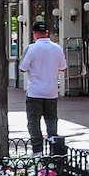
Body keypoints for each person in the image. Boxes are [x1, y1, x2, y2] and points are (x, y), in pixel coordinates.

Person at [19, 20, 67, 155]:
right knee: (51, 121)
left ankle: (37, 151)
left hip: (35, 92)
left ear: (34, 34)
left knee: (33, 122)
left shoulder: (31, 49)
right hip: (51, 92)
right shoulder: (57, 49)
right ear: (47, 33)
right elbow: (63, 68)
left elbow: (23, 68)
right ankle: (54, 149)